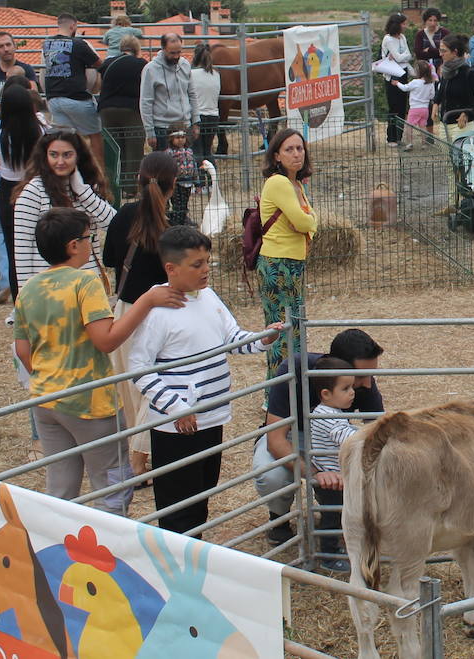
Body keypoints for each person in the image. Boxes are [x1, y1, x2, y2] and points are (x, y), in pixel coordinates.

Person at [13, 207, 185, 514]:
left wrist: (49, 376)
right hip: (90, 402)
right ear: (73, 245)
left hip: (45, 399)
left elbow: (24, 351)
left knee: (60, 485)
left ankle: (59, 549)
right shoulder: (85, 283)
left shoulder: (28, 289)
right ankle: (108, 551)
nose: (92, 243)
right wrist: (146, 300)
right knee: (111, 485)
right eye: (88, 237)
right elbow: (105, 340)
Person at [128, 225, 283, 536]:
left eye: (207, 262)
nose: (205, 270)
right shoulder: (158, 312)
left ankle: (195, 556)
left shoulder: (208, 296)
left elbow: (232, 339)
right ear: (171, 268)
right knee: (177, 507)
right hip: (177, 426)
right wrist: (176, 408)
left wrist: (264, 339)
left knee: (201, 495)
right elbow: (139, 367)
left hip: (211, 418)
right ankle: (178, 563)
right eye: (197, 264)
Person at [251, 329, 384, 556]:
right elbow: (275, 439)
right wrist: (315, 473)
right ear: (339, 368)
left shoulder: (363, 383)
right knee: (271, 475)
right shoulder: (293, 369)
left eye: (371, 374)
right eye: (361, 376)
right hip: (292, 434)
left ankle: (335, 509)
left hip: (330, 437)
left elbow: (380, 431)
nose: (368, 384)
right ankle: (279, 517)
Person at [103, 151, 179, 475]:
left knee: (131, 389)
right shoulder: (172, 228)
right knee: (156, 386)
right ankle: (140, 457)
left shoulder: (122, 216)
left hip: (125, 310)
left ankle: (137, 454)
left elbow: (109, 258)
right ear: (173, 185)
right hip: (161, 314)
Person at [12, 131, 115, 295]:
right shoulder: (33, 192)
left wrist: (82, 191)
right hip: (50, 288)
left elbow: (113, 225)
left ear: (78, 156)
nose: (60, 161)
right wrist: (25, 299)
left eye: (67, 155)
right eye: (54, 155)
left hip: (89, 283)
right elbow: (23, 252)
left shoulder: (88, 187)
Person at [0, 83, 45, 304]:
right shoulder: (41, 132)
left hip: (8, 189)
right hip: (35, 187)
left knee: (15, 250)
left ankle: (19, 302)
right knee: (39, 244)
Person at [257, 128, 316, 376]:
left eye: (300, 148)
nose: (296, 154)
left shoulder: (296, 184)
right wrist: (309, 221)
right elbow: (305, 222)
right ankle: (278, 395)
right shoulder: (279, 182)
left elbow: (308, 219)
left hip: (291, 262)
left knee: (295, 328)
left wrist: (308, 220)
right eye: (289, 149)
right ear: (276, 156)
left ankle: (292, 391)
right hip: (278, 263)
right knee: (283, 332)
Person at [305, 355, 362, 566]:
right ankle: (329, 555)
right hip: (331, 480)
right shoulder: (326, 416)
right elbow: (345, 437)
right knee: (333, 516)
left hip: (337, 475)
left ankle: (342, 545)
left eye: (352, 387)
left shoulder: (332, 411)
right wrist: (369, 436)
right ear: (326, 394)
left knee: (343, 513)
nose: (352, 392)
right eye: (345, 388)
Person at [42, 13, 105, 166]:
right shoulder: (79, 44)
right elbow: (99, 64)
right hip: (77, 98)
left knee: (64, 140)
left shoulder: (47, 44)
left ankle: (66, 173)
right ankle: (101, 174)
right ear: (73, 26)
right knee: (95, 135)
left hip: (54, 100)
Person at [97, 35, 148, 195]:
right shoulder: (141, 64)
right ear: (137, 49)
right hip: (131, 110)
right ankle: (130, 188)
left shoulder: (107, 63)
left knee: (113, 149)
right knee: (133, 149)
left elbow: (99, 85)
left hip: (107, 110)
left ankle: (112, 187)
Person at [138, 33, 198, 153]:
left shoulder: (185, 65)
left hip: (184, 125)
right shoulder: (151, 69)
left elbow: (192, 94)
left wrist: (196, 121)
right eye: (172, 53)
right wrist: (150, 132)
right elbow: (146, 102)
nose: (176, 56)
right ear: (163, 49)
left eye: (179, 52)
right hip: (162, 128)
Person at [431, 34, 474, 130]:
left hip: (462, 125)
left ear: (455, 52)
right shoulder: (447, 70)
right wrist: (436, 103)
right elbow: (442, 88)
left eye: (444, 51)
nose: (440, 54)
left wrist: (467, 112)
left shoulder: (469, 73)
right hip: (445, 123)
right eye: (440, 50)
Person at [379, 13, 414, 147]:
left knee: (402, 106)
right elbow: (400, 57)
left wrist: (402, 56)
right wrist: (403, 56)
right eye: (403, 24)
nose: (405, 26)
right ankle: (391, 137)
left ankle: (399, 135)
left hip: (403, 73)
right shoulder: (388, 39)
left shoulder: (402, 37)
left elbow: (407, 55)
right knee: (394, 106)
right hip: (392, 74)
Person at [391, 60, 436, 149]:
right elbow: (432, 95)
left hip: (415, 108)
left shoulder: (415, 82)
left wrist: (397, 83)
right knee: (422, 126)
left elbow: (405, 88)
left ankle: (410, 143)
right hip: (425, 109)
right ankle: (424, 144)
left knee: (409, 126)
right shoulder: (430, 83)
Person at [190, 44, 220, 165]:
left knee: (197, 151)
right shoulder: (216, 74)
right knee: (208, 151)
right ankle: (213, 180)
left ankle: (200, 182)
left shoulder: (191, 74)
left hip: (198, 116)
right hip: (213, 116)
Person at [164, 123, 196, 226]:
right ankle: (176, 223)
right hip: (175, 183)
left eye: (183, 137)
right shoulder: (169, 153)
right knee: (177, 205)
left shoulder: (189, 151)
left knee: (184, 204)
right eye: (177, 137)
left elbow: (194, 166)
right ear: (171, 139)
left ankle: (182, 221)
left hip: (188, 182)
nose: (181, 140)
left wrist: (198, 182)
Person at [413, 7, 448, 75]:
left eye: (435, 20)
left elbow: (447, 52)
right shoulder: (420, 35)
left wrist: (430, 50)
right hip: (425, 70)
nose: (433, 23)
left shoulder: (444, 33)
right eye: (430, 20)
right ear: (425, 21)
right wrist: (438, 52)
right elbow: (419, 54)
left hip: (441, 69)